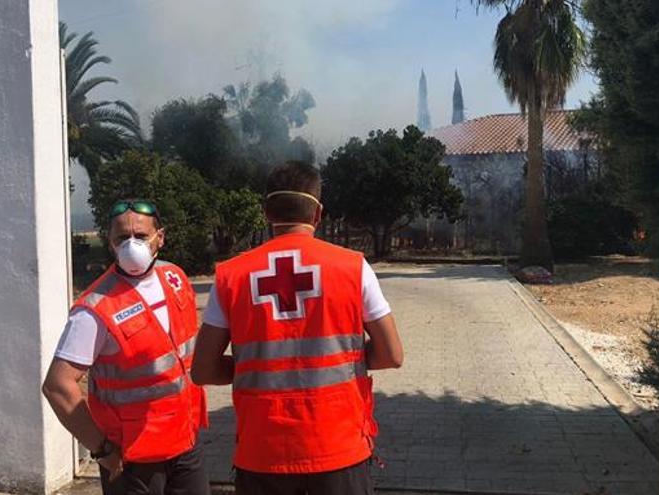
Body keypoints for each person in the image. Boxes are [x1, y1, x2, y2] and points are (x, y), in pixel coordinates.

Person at [191, 162, 404, 495]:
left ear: (266, 212)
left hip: (263, 452)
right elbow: (392, 354)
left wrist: (256, 367)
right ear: (318, 213)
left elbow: (202, 370)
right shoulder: (353, 267)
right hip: (338, 447)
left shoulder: (231, 276)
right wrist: (338, 362)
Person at [42, 199, 209, 495]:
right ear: (110, 243)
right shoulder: (94, 307)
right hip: (133, 460)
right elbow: (57, 386)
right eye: (122, 238)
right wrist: (103, 452)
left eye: (141, 236)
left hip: (185, 444)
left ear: (161, 237)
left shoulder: (175, 278)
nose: (132, 245)